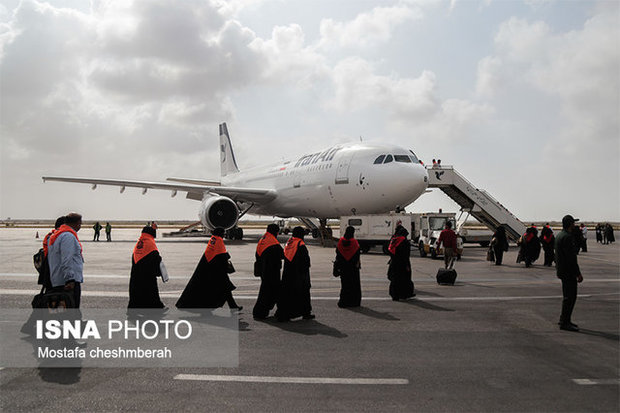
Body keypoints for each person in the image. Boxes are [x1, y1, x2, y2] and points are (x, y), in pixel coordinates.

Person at [176, 228, 241, 310]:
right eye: (223, 233)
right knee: (226, 288)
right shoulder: (219, 240)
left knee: (226, 288)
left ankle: (233, 306)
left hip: (211, 268)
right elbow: (223, 256)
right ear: (220, 233)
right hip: (216, 270)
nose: (224, 235)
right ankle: (232, 306)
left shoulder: (213, 239)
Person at [275, 226, 314, 321]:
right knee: (303, 293)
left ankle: (284, 313)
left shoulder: (289, 242)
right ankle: (305, 313)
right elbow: (305, 261)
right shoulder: (300, 244)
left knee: (288, 294)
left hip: (288, 272)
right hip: (299, 273)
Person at [47, 212, 84, 308]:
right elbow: (67, 259)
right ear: (76, 223)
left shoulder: (57, 234)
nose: (80, 226)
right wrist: (70, 279)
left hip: (59, 279)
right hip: (68, 281)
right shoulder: (68, 236)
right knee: (72, 307)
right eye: (80, 224)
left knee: (64, 310)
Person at [555, 215, 583, 332]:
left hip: (562, 270)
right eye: (573, 223)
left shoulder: (559, 235)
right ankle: (565, 322)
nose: (574, 225)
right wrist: (578, 273)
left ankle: (564, 319)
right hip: (568, 272)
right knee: (570, 297)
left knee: (567, 296)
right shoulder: (567, 237)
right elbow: (571, 258)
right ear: (570, 224)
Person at [128, 226, 165, 309]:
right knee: (151, 291)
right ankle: (156, 306)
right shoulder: (150, 243)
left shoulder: (138, 244)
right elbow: (156, 259)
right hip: (147, 276)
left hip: (136, 275)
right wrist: (158, 272)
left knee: (136, 292)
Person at [252, 224, 284, 320]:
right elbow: (282, 255)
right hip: (272, 272)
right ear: (276, 232)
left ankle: (260, 312)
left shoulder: (263, 240)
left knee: (266, 292)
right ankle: (278, 313)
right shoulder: (273, 242)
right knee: (272, 292)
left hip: (263, 271)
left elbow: (257, 255)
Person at [334, 226, 362, 308]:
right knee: (354, 285)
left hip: (343, 267)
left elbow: (337, 254)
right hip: (353, 268)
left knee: (345, 285)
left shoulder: (340, 241)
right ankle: (354, 302)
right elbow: (357, 255)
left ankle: (343, 302)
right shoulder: (354, 242)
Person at [387, 225, 415, 301]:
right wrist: (407, 265)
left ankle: (394, 295)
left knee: (395, 279)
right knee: (404, 279)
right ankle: (404, 294)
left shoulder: (394, 240)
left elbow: (389, 250)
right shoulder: (404, 242)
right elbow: (406, 255)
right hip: (402, 263)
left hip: (394, 262)